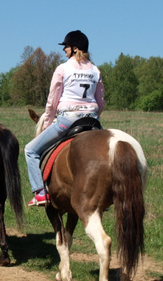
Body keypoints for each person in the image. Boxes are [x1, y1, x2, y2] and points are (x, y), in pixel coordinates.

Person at [24, 30, 105, 206]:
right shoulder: (95, 70)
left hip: (68, 121)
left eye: (66, 47)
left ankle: (39, 193)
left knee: (30, 150)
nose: (64, 50)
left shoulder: (63, 69)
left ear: (75, 49)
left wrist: (46, 124)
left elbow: (52, 102)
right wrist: (93, 117)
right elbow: (101, 102)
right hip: (92, 122)